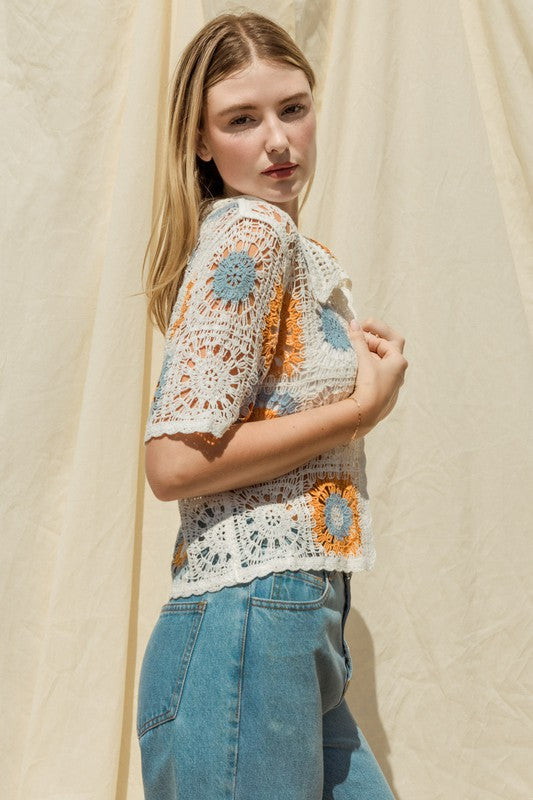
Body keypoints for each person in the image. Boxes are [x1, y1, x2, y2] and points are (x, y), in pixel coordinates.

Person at [136, 10, 408, 800]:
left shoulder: (284, 245)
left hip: (290, 625)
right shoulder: (249, 231)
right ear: (200, 140)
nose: (278, 141)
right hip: (249, 622)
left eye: (292, 107)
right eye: (241, 120)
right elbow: (174, 462)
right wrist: (359, 410)